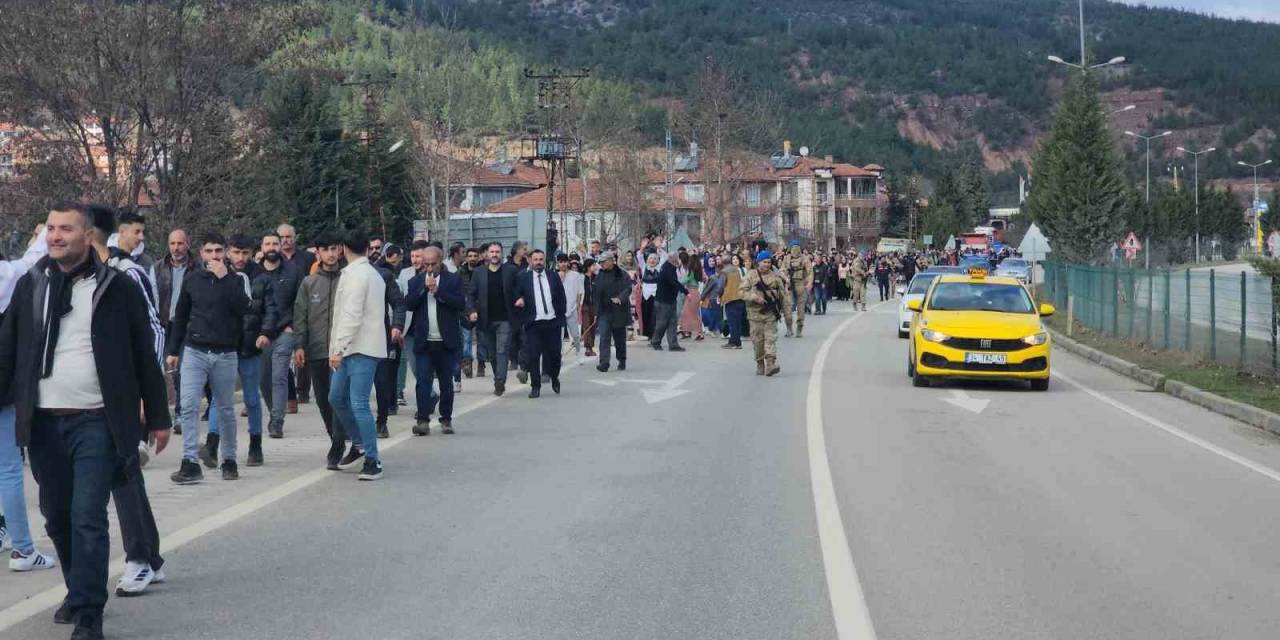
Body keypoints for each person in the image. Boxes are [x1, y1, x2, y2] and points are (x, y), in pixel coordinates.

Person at [0, 202, 171, 640]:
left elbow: (142, 355)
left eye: (66, 229)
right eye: (51, 228)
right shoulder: (32, 283)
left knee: (87, 515)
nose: (55, 236)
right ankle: (78, 589)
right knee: (56, 516)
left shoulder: (117, 286)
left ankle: (89, 614)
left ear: (87, 234)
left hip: (97, 419)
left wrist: (157, 415)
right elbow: (7, 351)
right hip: (42, 422)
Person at [91, 206, 170, 596]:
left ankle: (139, 559)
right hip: (80, 400)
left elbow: (153, 332)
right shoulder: (64, 279)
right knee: (123, 478)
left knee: (122, 477)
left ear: (90, 234)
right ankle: (148, 557)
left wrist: (144, 393)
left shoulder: (127, 275)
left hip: (120, 398)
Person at [167, 232, 251, 484]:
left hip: (225, 353)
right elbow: (180, 315)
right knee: (190, 405)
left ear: (225, 252)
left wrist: (224, 278)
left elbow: (244, 308)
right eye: (209, 251)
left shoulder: (236, 280)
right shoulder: (192, 280)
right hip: (195, 350)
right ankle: (190, 461)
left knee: (225, 408)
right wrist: (173, 350)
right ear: (201, 253)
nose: (214, 256)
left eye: (218, 251)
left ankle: (229, 460)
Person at [0, 223, 54, 573]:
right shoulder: (6, 275)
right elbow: (30, 264)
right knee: (8, 470)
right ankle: (22, 548)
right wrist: (43, 235)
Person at [206, 234, 276, 468]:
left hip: (250, 346)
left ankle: (255, 445)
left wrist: (265, 332)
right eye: (236, 252)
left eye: (245, 252)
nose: (241, 257)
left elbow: (270, 309)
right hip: (223, 346)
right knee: (218, 397)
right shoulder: (217, 274)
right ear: (228, 252)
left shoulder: (262, 278)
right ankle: (212, 445)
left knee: (252, 399)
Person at [328, 232, 388, 481]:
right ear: (366, 248)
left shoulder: (358, 275)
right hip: (352, 347)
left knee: (359, 403)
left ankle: (373, 461)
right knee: (336, 397)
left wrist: (338, 349)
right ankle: (360, 444)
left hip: (360, 348)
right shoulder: (368, 273)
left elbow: (351, 315)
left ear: (343, 249)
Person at [293, 234, 348, 469]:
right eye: (325, 249)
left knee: (339, 398)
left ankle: (338, 444)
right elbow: (300, 316)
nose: (330, 254)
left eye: (334, 248)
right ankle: (335, 437)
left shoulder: (349, 279)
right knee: (324, 401)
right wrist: (299, 345)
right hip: (316, 350)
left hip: (343, 352)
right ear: (318, 252)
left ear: (341, 251)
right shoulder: (309, 283)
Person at [405, 246, 464, 435]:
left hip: (446, 341)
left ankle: (446, 419)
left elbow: (460, 303)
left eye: (433, 264)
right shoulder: (415, 281)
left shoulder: (452, 280)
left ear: (441, 261)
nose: (430, 268)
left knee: (446, 383)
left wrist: (438, 292)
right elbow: (409, 304)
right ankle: (422, 420)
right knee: (423, 381)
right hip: (424, 341)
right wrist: (424, 288)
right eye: (426, 264)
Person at [257, 231, 303, 438]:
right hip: (261, 334)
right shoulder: (255, 274)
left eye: (275, 243)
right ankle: (273, 410)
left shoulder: (293, 272)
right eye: (268, 244)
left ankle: (277, 420)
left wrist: (294, 328)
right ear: (262, 248)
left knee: (279, 376)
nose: (272, 247)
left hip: (285, 330)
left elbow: (301, 303)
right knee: (264, 379)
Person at [151, 229, 195, 431]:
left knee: (181, 372)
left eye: (180, 243)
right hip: (163, 324)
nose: (176, 248)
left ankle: (180, 414)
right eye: (172, 244)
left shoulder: (197, 268)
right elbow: (152, 297)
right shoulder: (158, 268)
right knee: (160, 371)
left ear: (188, 244)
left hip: (187, 326)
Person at [512, 249, 566, 398]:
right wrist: (520, 300)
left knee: (555, 355)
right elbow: (516, 294)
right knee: (533, 355)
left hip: (552, 322)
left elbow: (561, 298)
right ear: (530, 261)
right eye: (535, 260)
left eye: (541, 259)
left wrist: (561, 319)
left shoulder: (553, 276)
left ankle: (554, 377)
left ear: (545, 260)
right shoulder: (524, 278)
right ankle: (535, 386)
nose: (538, 263)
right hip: (534, 323)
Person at [468, 242, 518, 396]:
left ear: (502, 253)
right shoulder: (478, 272)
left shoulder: (511, 271)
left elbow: (519, 290)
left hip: (505, 319)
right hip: (486, 320)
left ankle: (499, 381)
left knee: (502, 350)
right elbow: (471, 294)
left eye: (497, 251)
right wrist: (472, 310)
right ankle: (498, 376)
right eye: (492, 252)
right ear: (487, 254)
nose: (495, 254)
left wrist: (520, 300)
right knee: (492, 354)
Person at [372, 246, 406, 439]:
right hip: (352, 340)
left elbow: (399, 303)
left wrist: (397, 326)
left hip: (380, 337)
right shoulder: (345, 275)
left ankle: (382, 421)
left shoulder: (383, 276)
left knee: (382, 381)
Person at [741, 250, 785, 376]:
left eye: (769, 262)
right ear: (759, 262)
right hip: (755, 315)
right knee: (758, 341)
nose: (767, 264)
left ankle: (770, 364)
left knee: (770, 339)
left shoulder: (775, 277)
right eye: (764, 262)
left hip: (770, 314)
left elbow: (783, 295)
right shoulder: (750, 275)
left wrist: (783, 310)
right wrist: (755, 297)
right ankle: (760, 362)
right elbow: (741, 292)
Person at [592, 251, 630, 372]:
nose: (601, 264)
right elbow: (596, 294)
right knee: (604, 337)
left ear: (611, 261)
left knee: (619, 339)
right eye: (600, 262)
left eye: (603, 262)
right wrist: (596, 312)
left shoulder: (622, 274)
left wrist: (620, 298)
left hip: (619, 311)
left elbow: (628, 288)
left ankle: (622, 360)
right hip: (604, 311)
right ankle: (604, 362)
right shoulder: (600, 275)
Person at [650, 251, 687, 351]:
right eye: (676, 258)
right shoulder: (667, 268)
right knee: (662, 323)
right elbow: (674, 282)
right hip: (663, 301)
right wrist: (686, 292)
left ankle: (673, 345)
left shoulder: (670, 267)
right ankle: (655, 341)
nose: (678, 260)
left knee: (672, 323)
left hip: (670, 300)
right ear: (672, 259)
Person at [558, 253, 585, 363]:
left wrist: (578, 307)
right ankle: (559, 356)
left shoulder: (575, 275)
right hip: (559, 310)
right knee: (559, 336)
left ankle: (579, 353)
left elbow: (579, 292)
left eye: (564, 261)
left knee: (575, 334)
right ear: (557, 263)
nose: (563, 264)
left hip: (572, 308)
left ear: (568, 262)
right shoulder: (554, 275)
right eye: (560, 262)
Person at [720, 254, 746, 350]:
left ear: (723, 263)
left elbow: (720, 286)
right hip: (739, 297)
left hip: (730, 298)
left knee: (732, 322)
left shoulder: (724, 272)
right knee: (738, 321)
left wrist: (719, 295)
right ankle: (736, 341)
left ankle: (734, 342)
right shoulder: (736, 270)